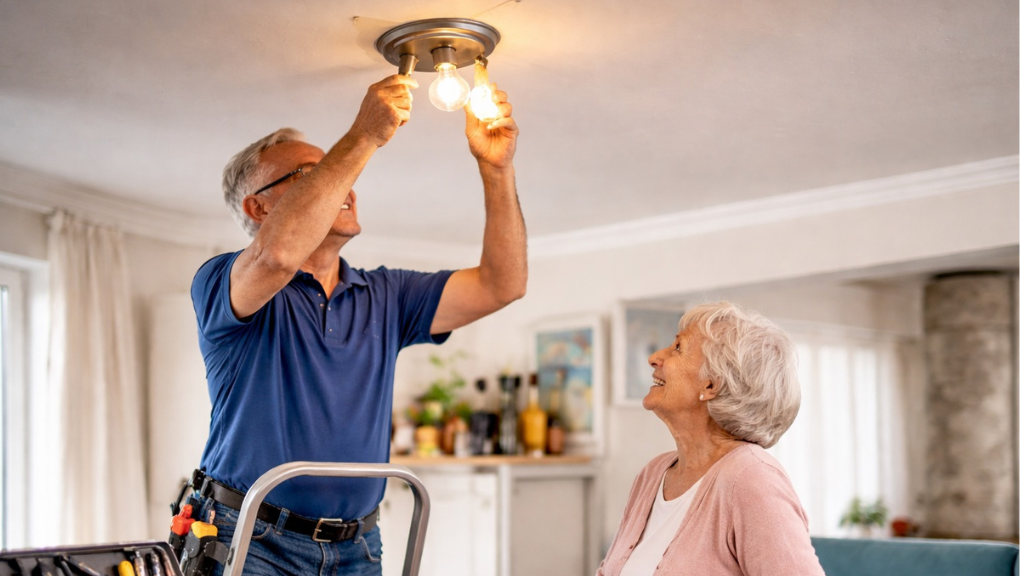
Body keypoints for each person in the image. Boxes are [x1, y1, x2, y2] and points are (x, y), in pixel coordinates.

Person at [186, 74, 525, 576]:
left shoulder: (387, 295)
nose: (341, 182)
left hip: (357, 546)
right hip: (250, 535)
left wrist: (496, 170)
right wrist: (362, 136)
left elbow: (503, 283)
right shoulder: (223, 279)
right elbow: (278, 256)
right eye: (312, 174)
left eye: (337, 171)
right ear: (257, 208)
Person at [597, 302, 825, 576]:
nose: (655, 357)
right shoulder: (653, 474)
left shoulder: (752, 480)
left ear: (711, 385)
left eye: (678, 348)